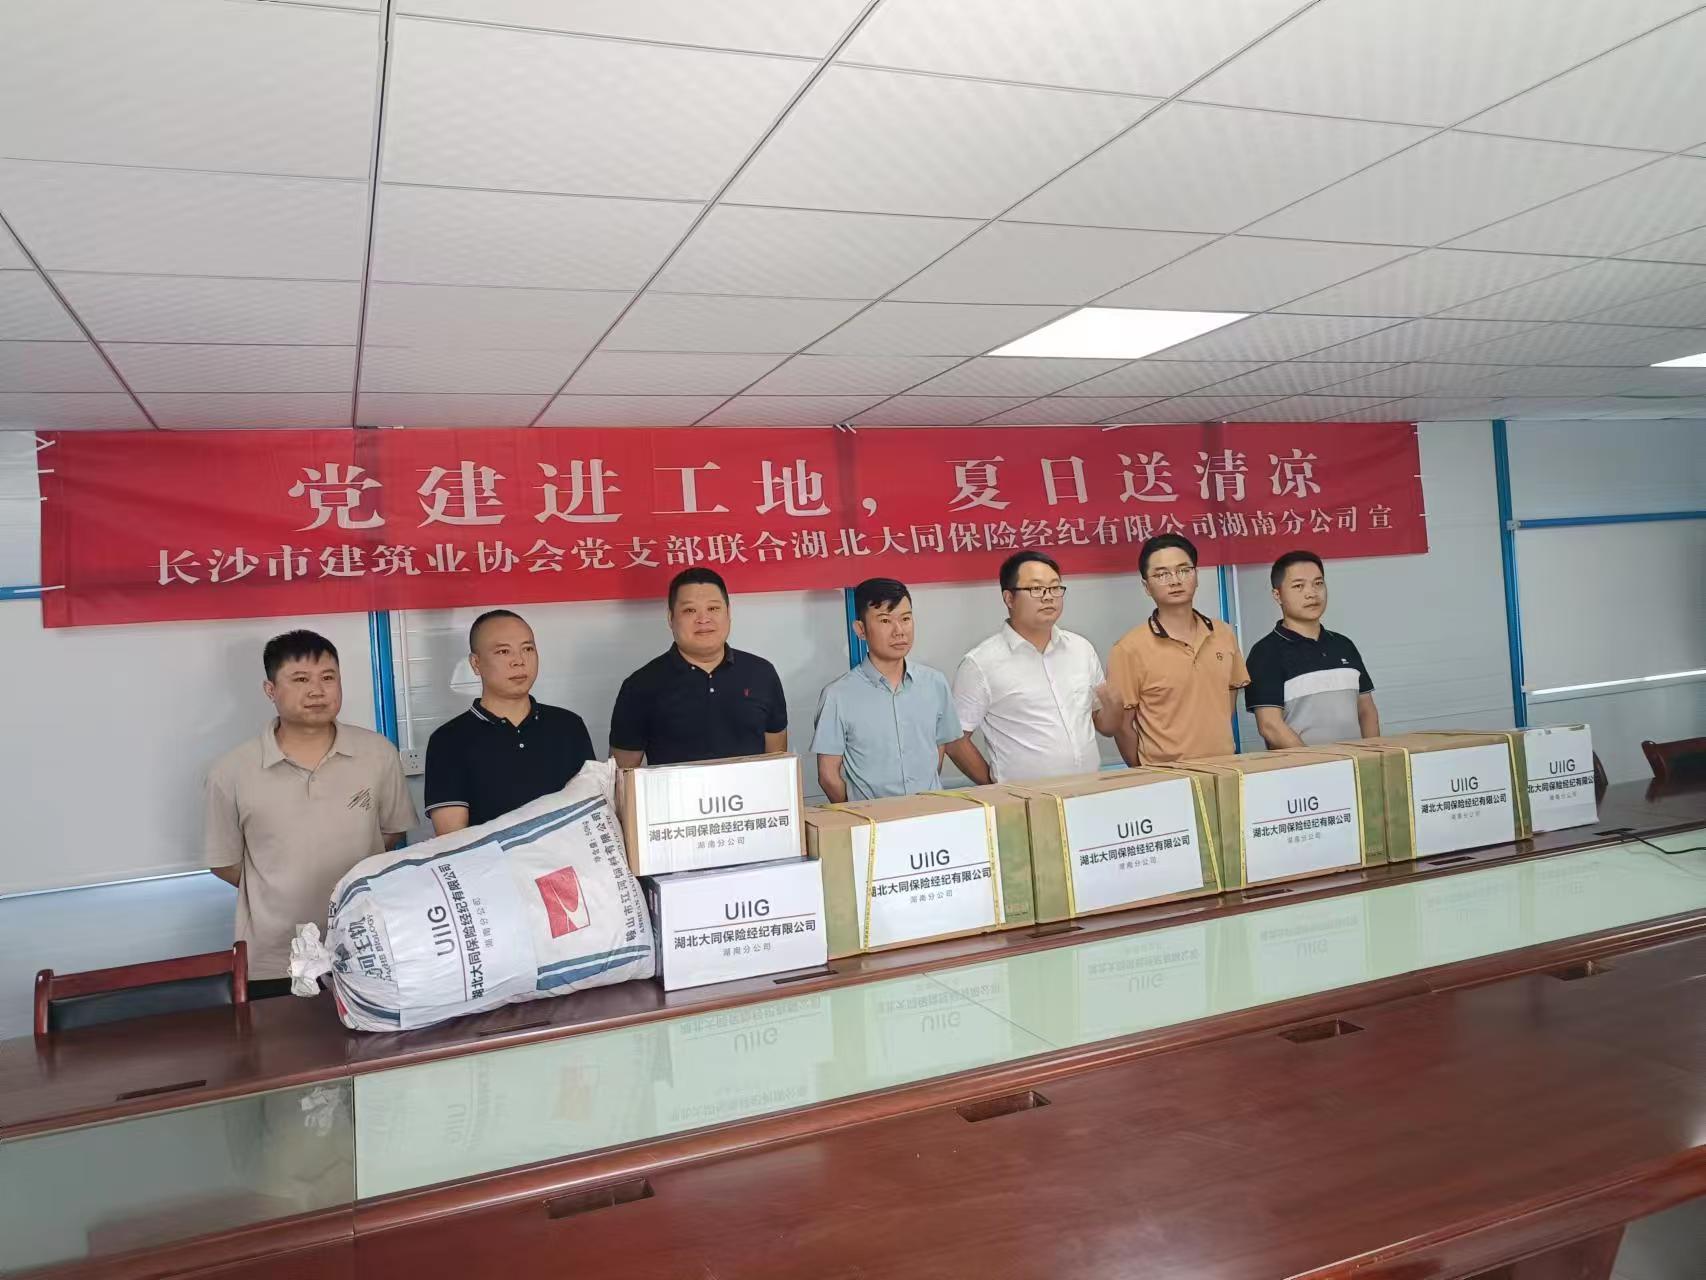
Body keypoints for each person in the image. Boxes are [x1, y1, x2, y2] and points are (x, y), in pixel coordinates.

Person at [203, 630, 416, 996]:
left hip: (368, 949)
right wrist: (279, 885)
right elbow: (224, 863)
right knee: (279, 1035)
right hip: (275, 958)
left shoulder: (377, 754)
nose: (317, 691)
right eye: (300, 679)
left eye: (328, 678)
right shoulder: (231, 772)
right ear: (270, 690)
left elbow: (391, 832)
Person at [948, 551, 1122, 785]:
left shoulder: (1081, 649)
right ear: (1009, 598)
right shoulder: (981, 664)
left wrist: (1114, 706)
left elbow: (1106, 727)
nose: (1048, 597)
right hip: (1026, 800)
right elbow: (955, 740)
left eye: (1055, 588)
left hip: (1090, 791)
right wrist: (994, 788)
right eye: (1036, 589)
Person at [424, 609, 597, 834]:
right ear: (476, 663)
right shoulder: (448, 741)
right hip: (490, 858)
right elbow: (452, 838)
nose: (519, 661)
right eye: (504, 651)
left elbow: (592, 812)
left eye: (528, 649)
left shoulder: (568, 726)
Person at [610, 567, 787, 767]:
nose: (703, 619)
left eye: (713, 608)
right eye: (690, 610)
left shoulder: (762, 674)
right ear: (671, 618)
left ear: (728, 613)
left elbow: (777, 761)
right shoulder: (640, 686)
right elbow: (623, 774)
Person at [813, 577, 961, 803]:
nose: (899, 631)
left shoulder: (935, 683)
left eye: (906, 619)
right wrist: (859, 815)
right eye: (885, 620)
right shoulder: (837, 695)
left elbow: (938, 751)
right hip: (871, 821)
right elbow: (828, 775)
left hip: (930, 813)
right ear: (860, 629)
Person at [1107, 533, 1250, 766]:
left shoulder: (1223, 634)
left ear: (1196, 575)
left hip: (1226, 768)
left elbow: (1227, 703)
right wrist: (1146, 773)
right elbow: (1123, 727)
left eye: (1184, 570)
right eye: (1161, 574)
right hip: (1166, 776)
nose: (1175, 580)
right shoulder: (1128, 649)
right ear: (1146, 586)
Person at [1245, 550, 1380, 748]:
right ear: (1277, 595)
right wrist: (1317, 763)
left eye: (1318, 583)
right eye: (1298, 586)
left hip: (1355, 763)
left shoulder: (1344, 645)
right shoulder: (1265, 653)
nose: (1311, 593)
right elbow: (1270, 726)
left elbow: (1366, 711)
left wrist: (1373, 755)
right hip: (1301, 766)